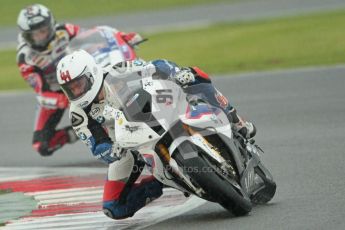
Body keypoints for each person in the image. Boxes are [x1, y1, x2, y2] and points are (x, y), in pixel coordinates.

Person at [55, 49, 256, 219]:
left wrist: (177, 73)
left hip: (157, 110)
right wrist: (110, 151)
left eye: (78, 84)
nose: (76, 91)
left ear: (92, 74)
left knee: (196, 75)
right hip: (128, 144)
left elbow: (155, 66)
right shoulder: (78, 114)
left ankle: (236, 121)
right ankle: (159, 182)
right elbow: (95, 145)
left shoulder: (118, 71)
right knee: (113, 208)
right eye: (70, 89)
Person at [16, 4, 144, 156]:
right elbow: (42, 94)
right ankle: (79, 130)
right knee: (42, 145)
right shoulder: (26, 58)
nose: (40, 37)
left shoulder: (64, 31)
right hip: (54, 93)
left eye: (43, 31)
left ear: (51, 25)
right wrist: (63, 100)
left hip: (77, 80)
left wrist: (121, 37)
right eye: (33, 35)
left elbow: (93, 35)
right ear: (25, 36)